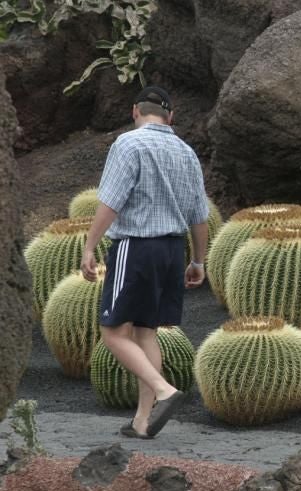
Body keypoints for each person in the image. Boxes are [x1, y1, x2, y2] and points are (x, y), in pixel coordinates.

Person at [80, 86, 209, 439]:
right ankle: (143, 420)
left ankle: (164, 390)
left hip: (135, 247)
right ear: (172, 116)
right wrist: (199, 260)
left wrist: (90, 247)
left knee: (112, 331)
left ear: (135, 110)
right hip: (172, 250)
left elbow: (111, 202)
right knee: (145, 331)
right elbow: (200, 215)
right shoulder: (186, 152)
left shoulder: (129, 144)